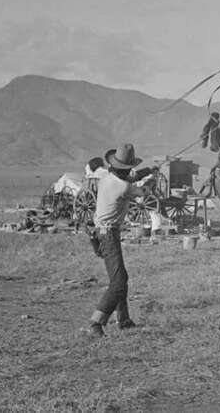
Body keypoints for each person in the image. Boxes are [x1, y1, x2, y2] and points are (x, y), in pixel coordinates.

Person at [84, 143, 154, 337]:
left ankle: (123, 320)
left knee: (120, 277)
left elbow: (131, 177)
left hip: (101, 233)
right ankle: (96, 322)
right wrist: (151, 180)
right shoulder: (124, 187)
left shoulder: (108, 176)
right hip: (108, 235)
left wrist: (146, 171)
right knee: (119, 282)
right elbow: (142, 193)